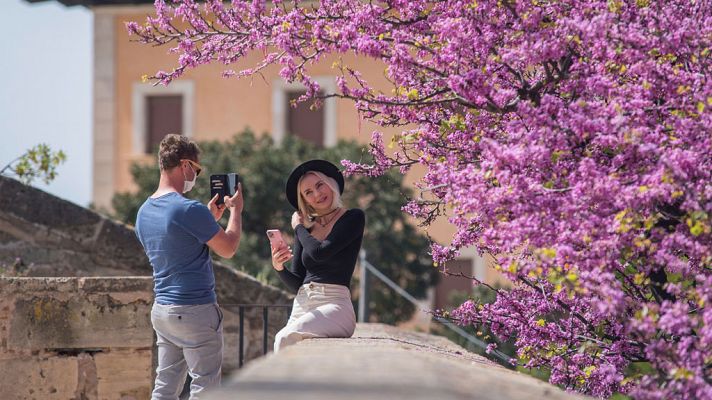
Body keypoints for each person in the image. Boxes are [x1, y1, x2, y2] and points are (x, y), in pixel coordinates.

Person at [135, 134, 243, 399]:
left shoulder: (143, 212)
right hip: (195, 309)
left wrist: (207, 219)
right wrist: (236, 212)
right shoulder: (187, 209)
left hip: (162, 310)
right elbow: (228, 248)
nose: (195, 175)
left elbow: (176, 246)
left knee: (165, 386)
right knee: (205, 386)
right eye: (196, 169)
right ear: (184, 165)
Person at [270, 159, 365, 352]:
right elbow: (298, 283)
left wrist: (297, 227)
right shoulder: (306, 231)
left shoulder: (353, 218)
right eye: (308, 193)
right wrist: (279, 267)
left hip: (335, 305)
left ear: (331, 183)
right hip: (303, 304)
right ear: (304, 200)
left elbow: (320, 253)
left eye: (320, 185)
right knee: (285, 351)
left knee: (284, 337)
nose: (317, 194)